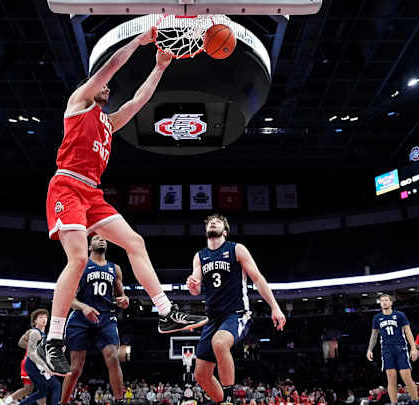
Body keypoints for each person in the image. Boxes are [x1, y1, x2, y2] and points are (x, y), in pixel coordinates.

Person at [39, 26, 207, 375]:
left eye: (108, 88)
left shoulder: (108, 123)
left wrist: (160, 67)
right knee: (79, 257)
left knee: (135, 242)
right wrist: (139, 41)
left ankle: (165, 313)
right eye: (101, 83)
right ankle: (53, 339)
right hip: (67, 185)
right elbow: (111, 66)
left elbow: (139, 102)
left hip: (93, 194)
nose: (108, 86)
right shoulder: (79, 103)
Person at [186, 214, 286, 405]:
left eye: (217, 221)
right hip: (212, 318)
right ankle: (222, 400)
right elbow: (196, 288)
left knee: (220, 343)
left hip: (236, 313)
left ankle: (229, 399)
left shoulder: (236, 249)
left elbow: (257, 278)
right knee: (201, 375)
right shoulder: (199, 256)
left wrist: (275, 307)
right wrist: (192, 285)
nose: (212, 222)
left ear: (225, 231)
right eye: (209, 222)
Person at [61, 236, 129, 404]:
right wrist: (83, 307)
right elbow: (68, 297)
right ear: (89, 247)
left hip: (105, 317)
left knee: (113, 357)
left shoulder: (115, 268)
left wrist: (124, 300)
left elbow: (120, 296)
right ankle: (62, 402)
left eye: (104, 239)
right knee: (76, 368)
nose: (101, 240)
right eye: (96, 238)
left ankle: (119, 400)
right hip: (80, 318)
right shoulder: (80, 265)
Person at [366, 294, 419, 405]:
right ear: (380, 303)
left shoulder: (400, 315)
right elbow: (374, 335)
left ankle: (415, 401)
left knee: (406, 377)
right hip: (386, 349)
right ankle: (394, 403)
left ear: (391, 302)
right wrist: (369, 349)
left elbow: (408, 331)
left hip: (401, 347)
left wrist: (413, 348)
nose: (384, 302)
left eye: (386, 300)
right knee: (391, 378)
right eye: (382, 300)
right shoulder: (377, 318)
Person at [0, 309, 50, 405]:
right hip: (30, 361)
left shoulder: (45, 334)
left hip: (37, 363)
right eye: (41, 317)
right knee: (42, 386)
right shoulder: (32, 331)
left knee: (28, 389)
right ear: (35, 321)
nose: (44, 319)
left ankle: (5, 402)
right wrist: (34, 348)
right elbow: (21, 343)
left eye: (45, 317)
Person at [20, 328, 62, 405]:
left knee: (43, 392)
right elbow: (21, 343)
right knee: (56, 386)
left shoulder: (44, 337)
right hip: (35, 365)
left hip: (32, 365)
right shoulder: (35, 333)